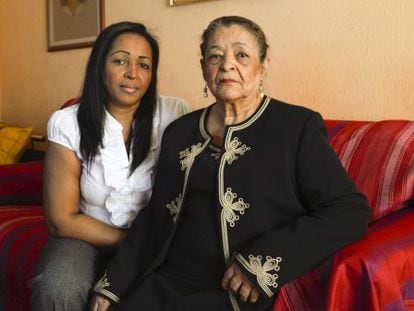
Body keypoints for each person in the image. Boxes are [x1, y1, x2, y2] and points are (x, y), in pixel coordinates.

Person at [90, 16, 371, 311]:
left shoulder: (295, 126)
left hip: (234, 291)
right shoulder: (180, 132)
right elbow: (154, 219)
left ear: (262, 67)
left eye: (241, 55)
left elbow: (348, 210)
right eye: (215, 56)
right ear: (203, 68)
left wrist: (261, 262)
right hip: (166, 283)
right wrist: (112, 286)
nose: (226, 65)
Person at [29, 21, 188, 311]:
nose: (132, 73)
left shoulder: (173, 113)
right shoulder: (68, 123)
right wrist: (130, 245)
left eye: (144, 65)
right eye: (120, 61)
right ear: (100, 66)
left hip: (155, 239)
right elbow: (61, 219)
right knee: (57, 287)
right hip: (85, 236)